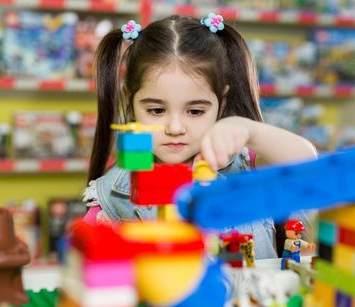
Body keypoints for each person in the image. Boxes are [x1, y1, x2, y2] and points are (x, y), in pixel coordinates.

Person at [83, 14, 317, 259]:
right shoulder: (114, 193)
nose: (175, 128)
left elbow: (307, 163)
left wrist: (250, 130)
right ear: (131, 104)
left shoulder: (245, 163)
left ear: (220, 104)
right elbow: (87, 265)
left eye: (195, 111)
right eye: (156, 110)